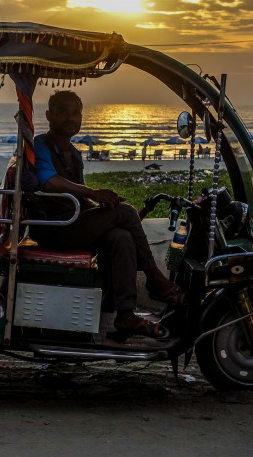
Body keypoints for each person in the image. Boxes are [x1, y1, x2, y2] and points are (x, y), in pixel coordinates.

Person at [27, 90, 185, 339]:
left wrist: (98, 207)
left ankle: (125, 314)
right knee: (127, 213)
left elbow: (76, 199)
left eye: (76, 113)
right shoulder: (41, 145)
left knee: (121, 236)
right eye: (63, 112)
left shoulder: (75, 155)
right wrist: (93, 192)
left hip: (74, 223)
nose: (71, 118)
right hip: (54, 228)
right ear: (49, 115)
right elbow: (49, 182)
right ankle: (155, 280)